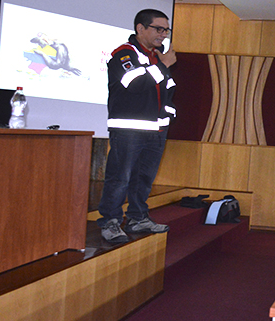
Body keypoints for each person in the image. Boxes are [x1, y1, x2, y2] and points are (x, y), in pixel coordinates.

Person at [97, 9, 177, 243]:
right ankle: (110, 222)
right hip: (129, 130)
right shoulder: (124, 54)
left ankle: (137, 218)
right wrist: (163, 65)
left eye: (166, 30)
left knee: (144, 178)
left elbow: (168, 90)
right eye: (158, 29)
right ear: (140, 29)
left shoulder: (155, 57)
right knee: (119, 177)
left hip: (157, 130)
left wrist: (169, 114)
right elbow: (134, 84)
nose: (163, 35)